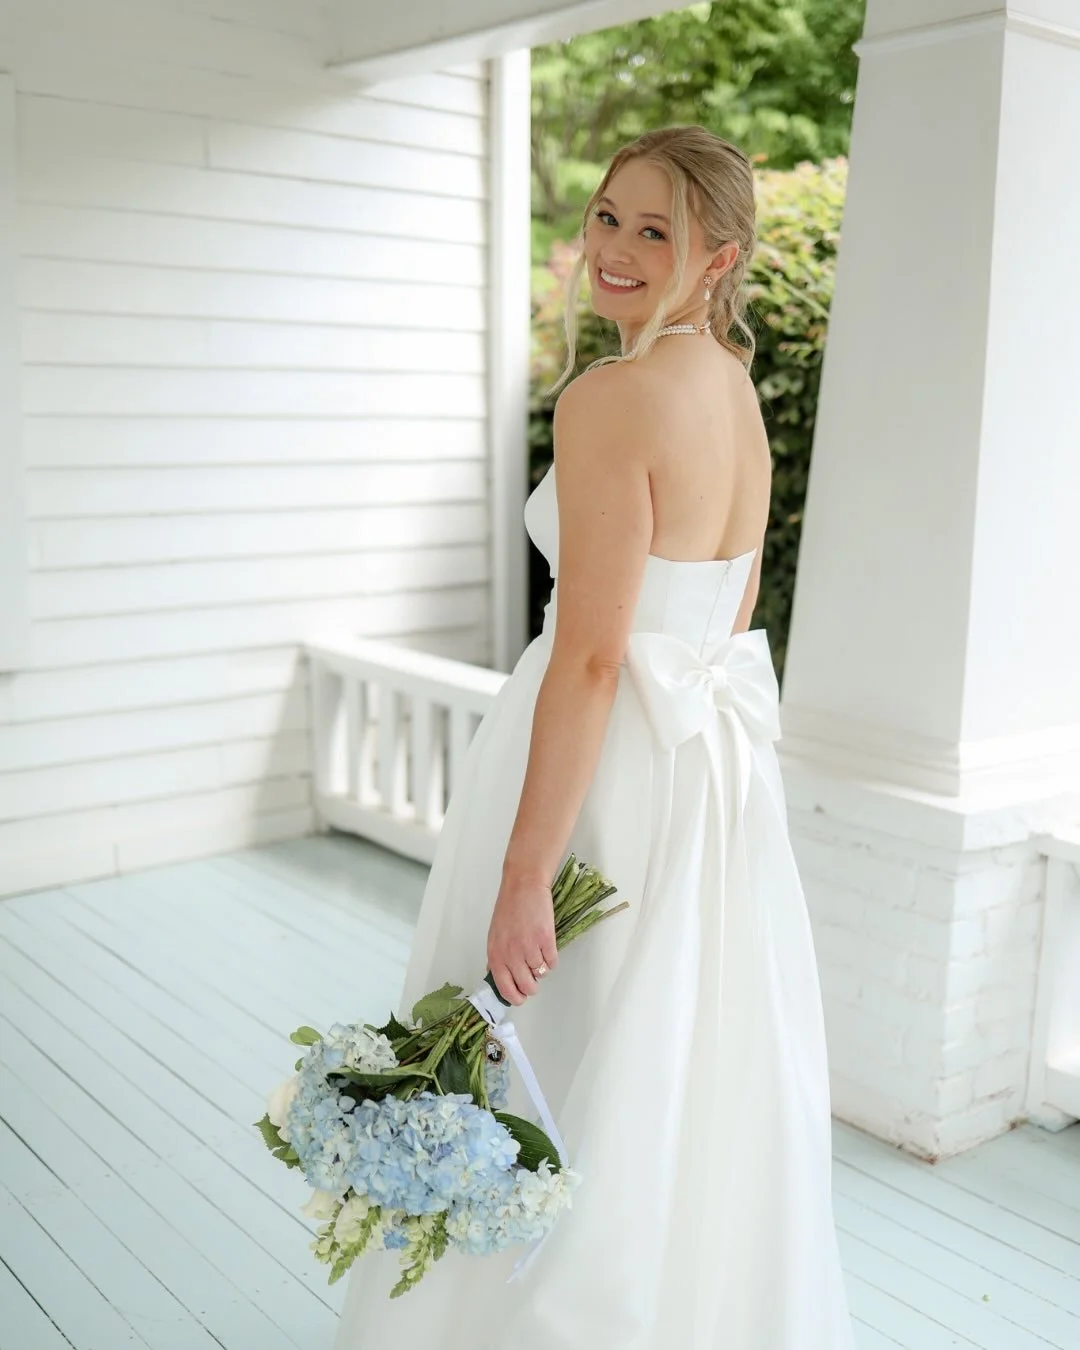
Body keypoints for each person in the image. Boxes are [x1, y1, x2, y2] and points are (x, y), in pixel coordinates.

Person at [333, 124, 857, 1350]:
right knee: (674, 1069)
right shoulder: (734, 393)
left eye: (656, 230)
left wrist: (525, 877)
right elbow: (732, 619)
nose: (614, 248)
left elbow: (594, 653)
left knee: (553, 1050)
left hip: (607, 770)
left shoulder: (611, 401)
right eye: (608, 216)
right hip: (708, 781)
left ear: (719, 257)